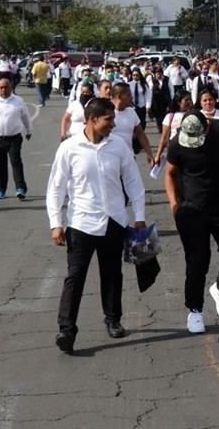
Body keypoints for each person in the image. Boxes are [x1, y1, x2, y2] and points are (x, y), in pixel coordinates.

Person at [46, 98, 146, 354]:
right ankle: (66, 329)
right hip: (81, 223)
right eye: (108, 120)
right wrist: (56, 223)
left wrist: (139, 215)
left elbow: (133, 181)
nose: (113, 124)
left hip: (114, 221)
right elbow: (56, 187)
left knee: (112, 274)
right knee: (74, 278)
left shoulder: (119, 146)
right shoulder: (69, 148)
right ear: (91, 120)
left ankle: (113, 319)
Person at [164, 110, 219, 333]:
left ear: (208, 127)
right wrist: (174, 204)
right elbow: (170, 174)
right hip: (193, 208)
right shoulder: (176, 144)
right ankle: (195, 310)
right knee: (197, 261)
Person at [0, 78, 32, 200]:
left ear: (10, 88)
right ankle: (0, 189)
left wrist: (28, 130)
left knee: (16, 162)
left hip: (14, 137)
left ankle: (20, 188)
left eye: (6, 87)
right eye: (1, 88)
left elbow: (26, 116)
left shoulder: (18, 101)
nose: (4, 90)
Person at [109, 83, 154, 165]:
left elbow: (140, 133)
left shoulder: (131, 112)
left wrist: (149, 153)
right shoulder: (106, 113)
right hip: (110, 159)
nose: (132, 98)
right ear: (119, 96)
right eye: (129, 95)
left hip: (129, 158)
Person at [154, 91, 194, 165]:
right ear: (179, 102)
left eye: (190, 99)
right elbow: (164, 138)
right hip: (175, 151)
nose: (189, 102)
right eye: (186, 100)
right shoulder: (170, 117)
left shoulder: (194, 114)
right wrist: (158, 155)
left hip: (191, 151)